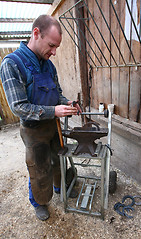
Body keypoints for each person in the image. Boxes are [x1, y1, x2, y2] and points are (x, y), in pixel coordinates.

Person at [0, 15, 81, 221]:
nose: (54, 52)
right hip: (33, 130)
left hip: (53, 126)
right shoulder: (12, 64)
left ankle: (60, 187)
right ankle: (39, 202)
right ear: (36, 33)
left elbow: (57, 94)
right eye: (51, 45)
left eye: (56, 48)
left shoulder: (48, 64)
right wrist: (54, 111)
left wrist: (68, 103)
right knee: (39, 166)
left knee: (58, 160)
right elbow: (19, 107)